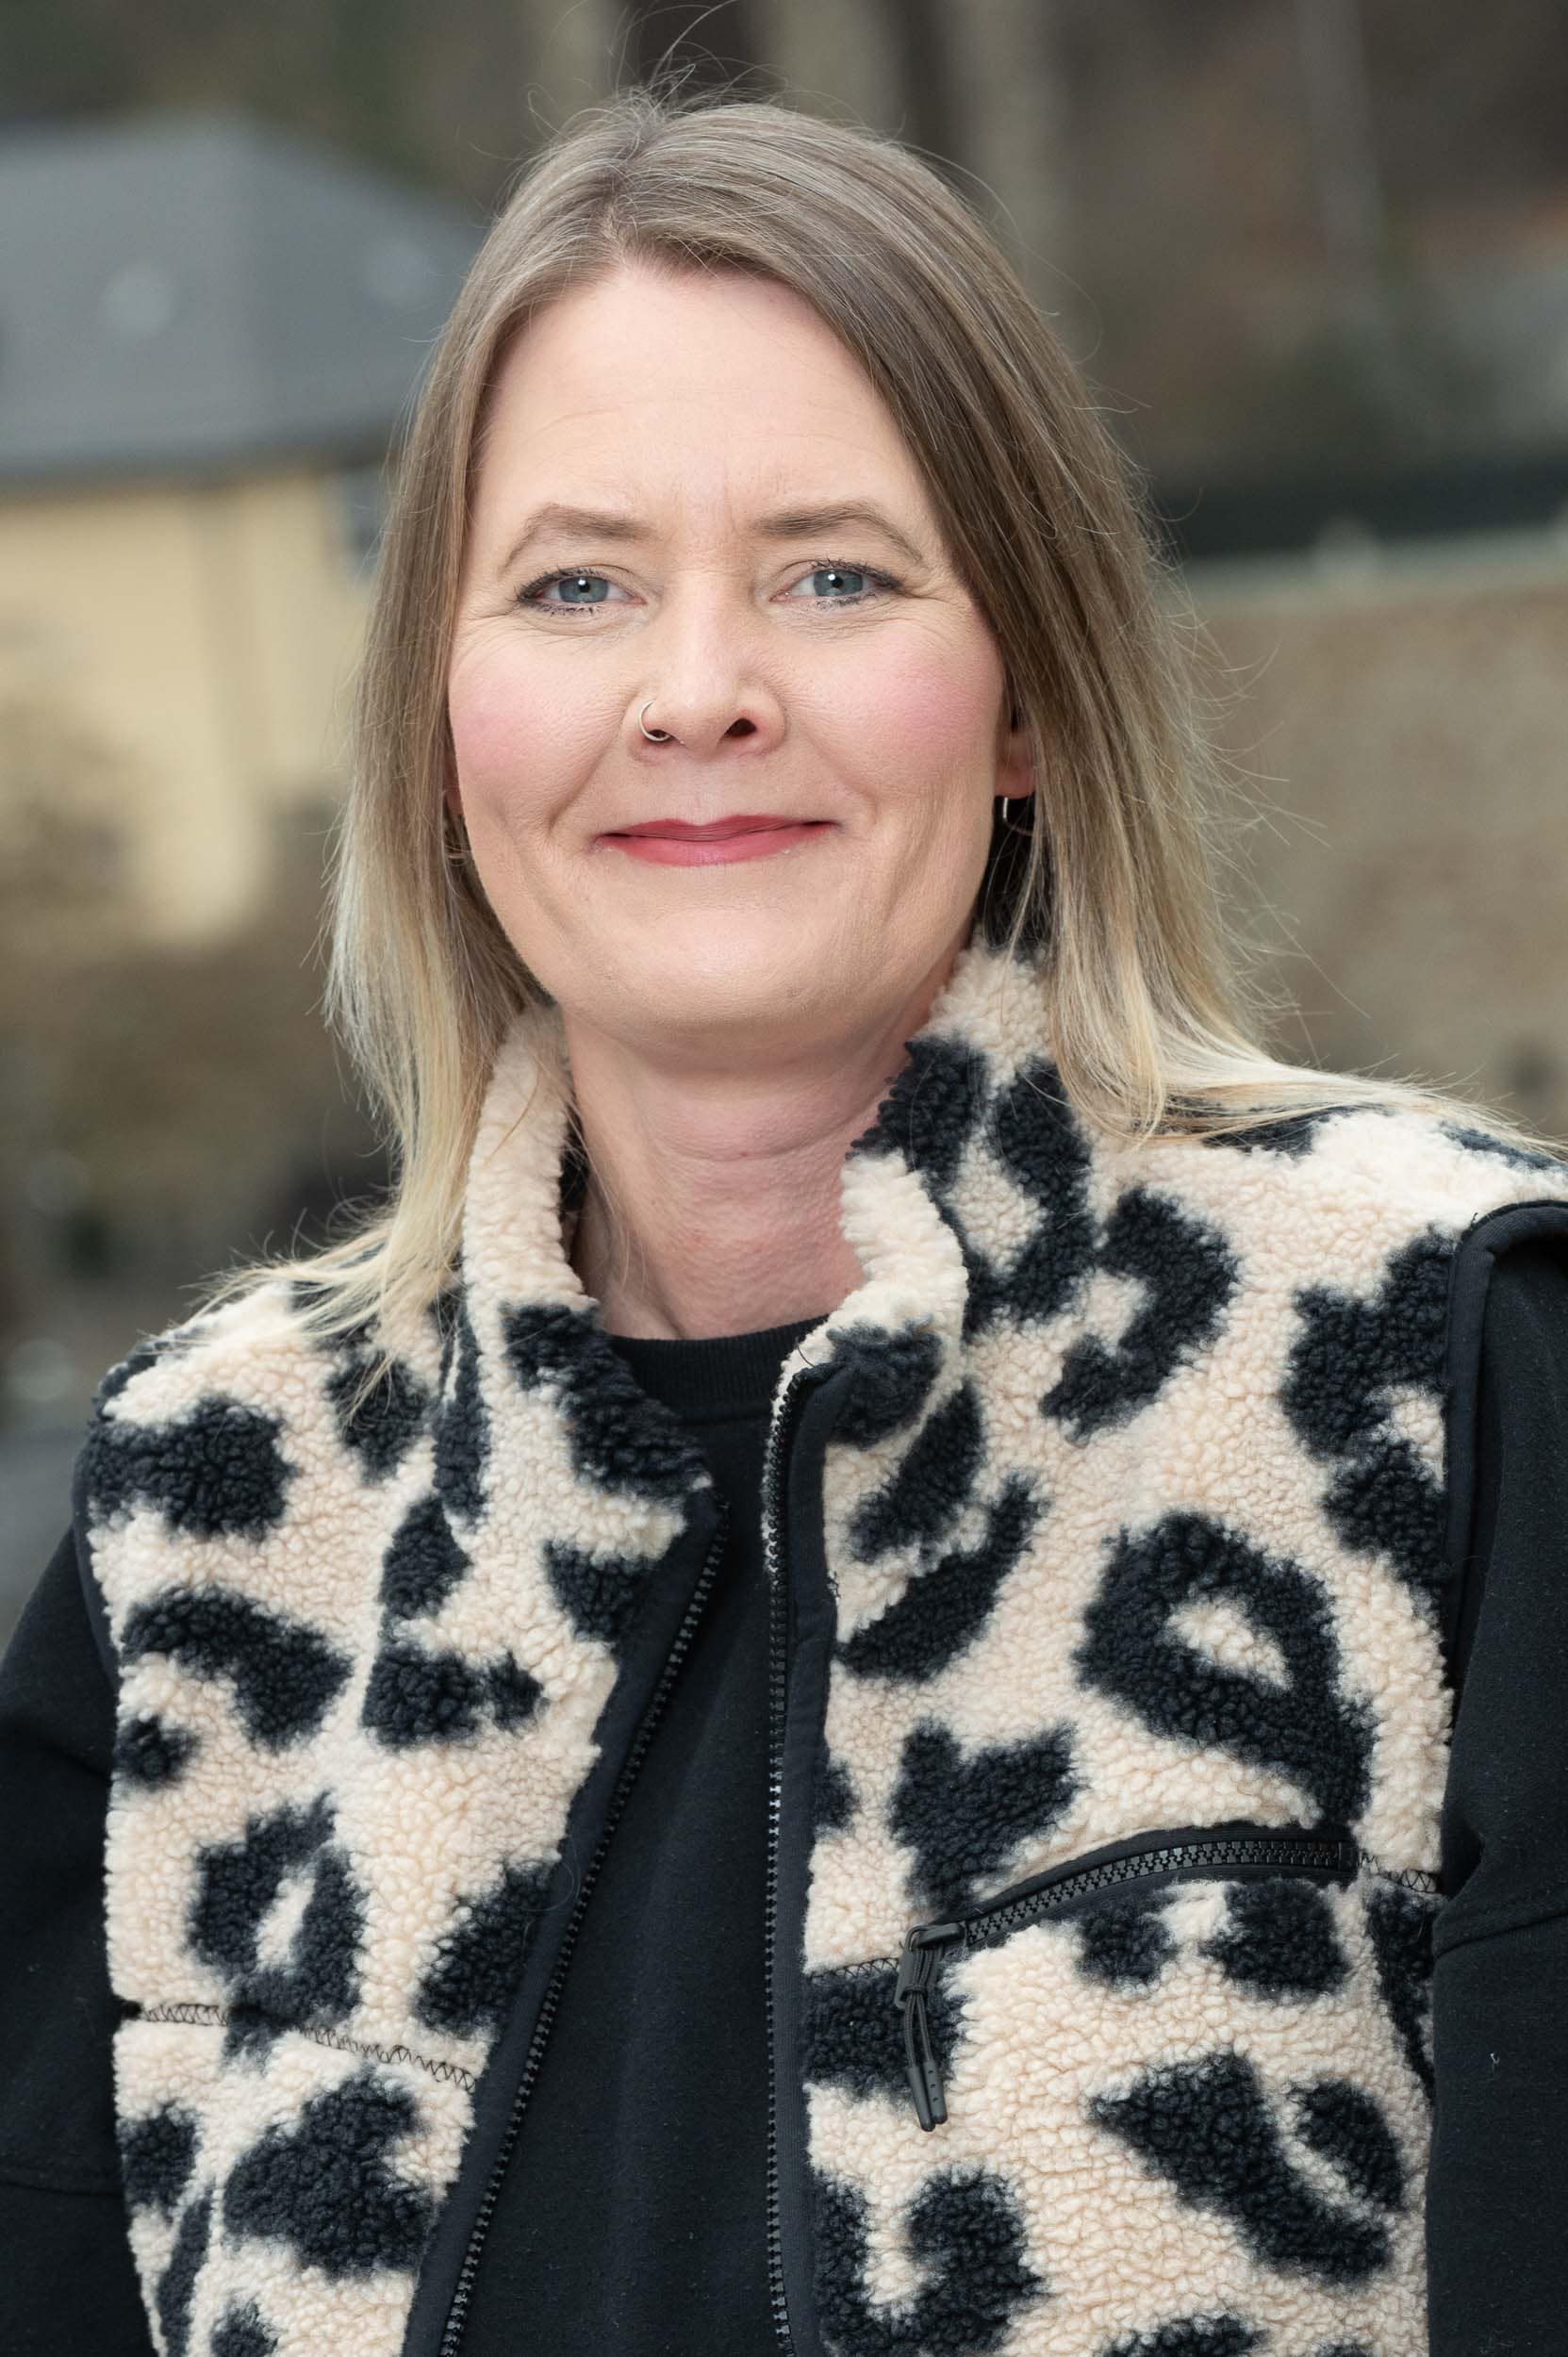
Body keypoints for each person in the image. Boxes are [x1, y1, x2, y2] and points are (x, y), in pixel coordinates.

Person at [3, 79, 1566, 2357]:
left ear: (1023, 696)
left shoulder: (1432, 1372)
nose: (699, 692)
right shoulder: (209, 1525)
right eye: (576, 585)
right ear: (441, 712)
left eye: (834, 574)